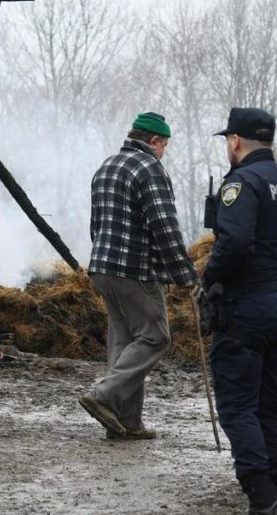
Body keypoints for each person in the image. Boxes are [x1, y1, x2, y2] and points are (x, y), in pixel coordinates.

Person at [203, 108, 277, 515]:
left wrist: (209, 279)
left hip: (245, 310)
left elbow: (232, 244)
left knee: (237, 406)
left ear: (235, 141)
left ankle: (264, 497)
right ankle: (276, 488)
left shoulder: (241, 183)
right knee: (267, 406)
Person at [79, 112, 200, 440]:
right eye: (165, 146)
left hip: (102, 269)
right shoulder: (149, 169)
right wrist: (185, 274)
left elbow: (96, 224)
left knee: (124, 342)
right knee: (155, 337)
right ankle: (104, 396)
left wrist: (103, 261)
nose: (164, 152)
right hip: (134, 271)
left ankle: (125, 422)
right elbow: (165, 227)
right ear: (154, 141)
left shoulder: (106, 166)